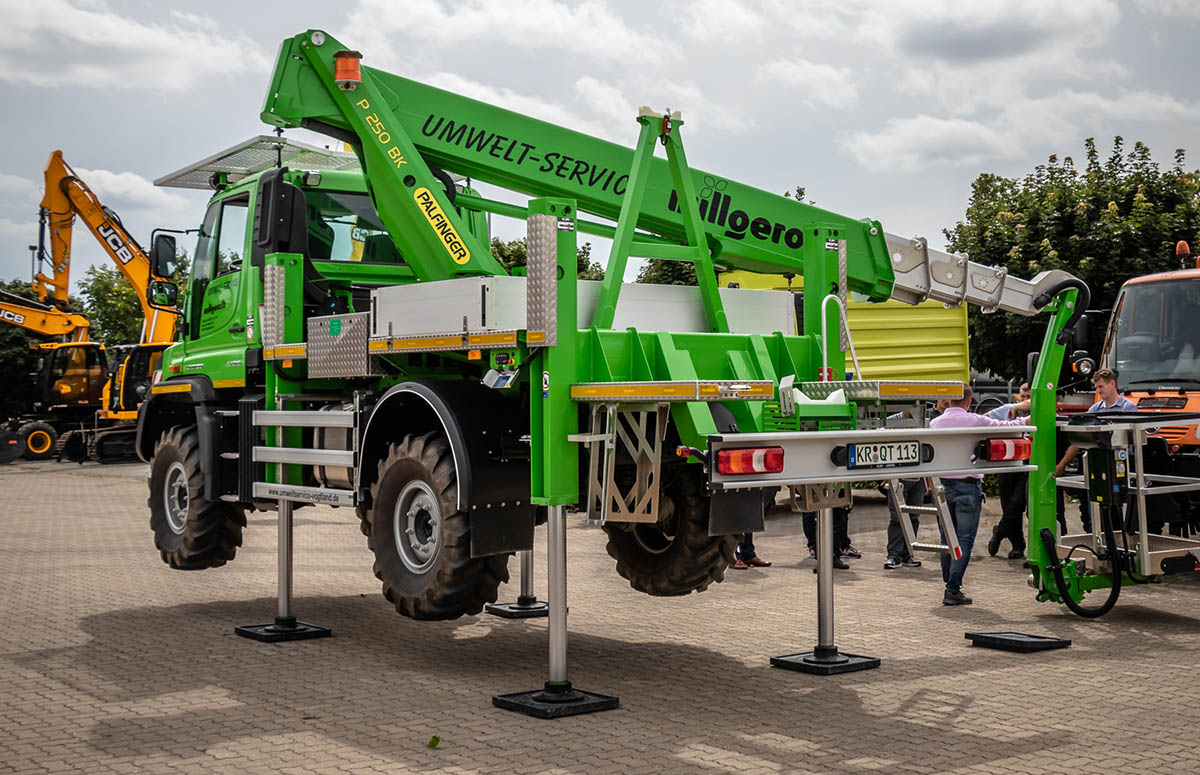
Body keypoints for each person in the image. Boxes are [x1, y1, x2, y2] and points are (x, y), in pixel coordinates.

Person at [930, 385, 1029, 605]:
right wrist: (1029, 418)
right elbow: (1007, 426)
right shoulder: (974, 420)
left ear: (948, 401)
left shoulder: (935, 423)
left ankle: (949, 582)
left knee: (947, 537)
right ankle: (953, 587)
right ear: (968, 401)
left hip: (943, 486)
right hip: (967, 485)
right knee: (964, 539)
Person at [1055, 369, 1136, 533]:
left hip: (1120, 464)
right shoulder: (1094, 409)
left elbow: (1132, 441)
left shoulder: (1129, 408)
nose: (1098, 391)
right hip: (1099, 464)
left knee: (1118, 508)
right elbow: (1080, 439)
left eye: (1101, 386)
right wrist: (1062, 463)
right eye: (1096, 387)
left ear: (1112, 383)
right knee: (1092, 507)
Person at [986, 383, 1033, 559]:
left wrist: (1018, 406)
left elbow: (1033, 403)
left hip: (1026, 463)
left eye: (1028, 396)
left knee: (1017, 504)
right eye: (1022, 395)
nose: (1024, 399)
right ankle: (1017, 545)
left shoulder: (1035, 410)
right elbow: (984, 418)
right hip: (1006, 463)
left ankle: (999, 531)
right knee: (1008, 505)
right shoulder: (1006, 410)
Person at [883, 478, 926, 569]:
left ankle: (907, 554)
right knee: (897, 518)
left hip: (919, 478)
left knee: (914, 517)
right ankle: (894, 556)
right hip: (898, 477)